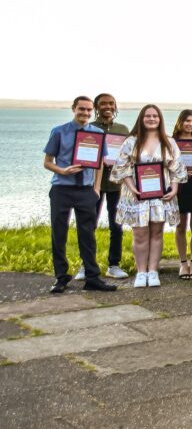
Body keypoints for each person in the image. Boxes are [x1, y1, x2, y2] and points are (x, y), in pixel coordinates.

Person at [43, 96, 118, 294]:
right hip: (62, 189)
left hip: (86, 190)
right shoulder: (59, 132)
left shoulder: (97, 133)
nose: (85, 113)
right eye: (81, 109)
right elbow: (47, 162)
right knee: (59, 234)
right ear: (73, 109)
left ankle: (92, 278)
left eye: (88, 110)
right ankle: (61, 277)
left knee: (87, 235)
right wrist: (62, 171)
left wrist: (95, 188)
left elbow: (100, 163)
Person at [112, 104, 188, 288]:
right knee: (139, 233)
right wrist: (132, 188)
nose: (152, 119)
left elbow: (177, 169)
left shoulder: (169, 142)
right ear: (142, 118)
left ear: (160, 119)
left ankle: (153, 270)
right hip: (136, 195)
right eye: (148, 116)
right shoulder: (131, 142)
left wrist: (175, 189)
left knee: (157, 232)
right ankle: (141, 271)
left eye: (155, 116)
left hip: (160, 196)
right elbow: (122, 168)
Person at [90, 92, 130, 280]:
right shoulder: (89, 128)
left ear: (115, 107)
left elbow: (129, 155)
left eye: (111, 103)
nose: (108, 106)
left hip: (116, 185)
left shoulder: (122, 129)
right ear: (96, 107)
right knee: (89, 224)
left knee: (116, 226)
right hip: (92, 185)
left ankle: (114, 264)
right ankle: (86, 264)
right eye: (103, 103)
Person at [171, 110, 192, 279]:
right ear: (180, 122)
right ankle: (183, 263)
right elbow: (167, 164)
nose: (190, 124)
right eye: (186, 121)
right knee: (180, 225)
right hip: (180, 187)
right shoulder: (172, 141)